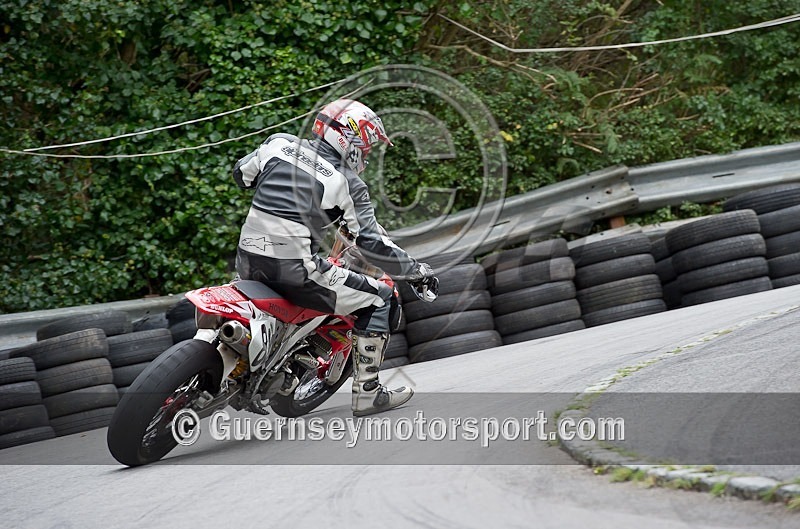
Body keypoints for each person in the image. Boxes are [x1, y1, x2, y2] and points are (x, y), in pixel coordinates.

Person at [232, 98, 438, 417]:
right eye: (365, 149)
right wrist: (416, 271)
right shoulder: (348, 183)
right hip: (296, 270)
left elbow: (241, 175)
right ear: (350, 141)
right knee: (381, 299)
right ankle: (368, 393)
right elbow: (372, 242)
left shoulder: (279, 143)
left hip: (247, 258)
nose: (365, 157)